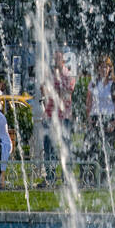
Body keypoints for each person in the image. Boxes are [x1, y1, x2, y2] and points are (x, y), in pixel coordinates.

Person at [84, 55, 115, 182]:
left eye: (106, 67)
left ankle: (106, 178)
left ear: (110, 69)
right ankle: (89, 177)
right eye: (101, 67)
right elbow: (88, 102)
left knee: (108, 150)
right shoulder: (93, 83)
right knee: (91, 148)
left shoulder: (114, 84)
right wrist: (89, 119)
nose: (104, 69)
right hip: (95, 117)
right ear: (98, 69)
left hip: (108, 118)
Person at [43, 49, 75, 184]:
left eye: (58, 59)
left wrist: (55, 92)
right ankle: (50, 177)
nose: (56, 61)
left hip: (64, 116)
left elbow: (67, 92)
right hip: (50, 115)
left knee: (65, 146)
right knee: (48, 146)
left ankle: (66, 177)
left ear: (63, 61)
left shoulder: (68, 74)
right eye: (54, 59)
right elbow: (44, 90)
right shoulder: (49, 75)